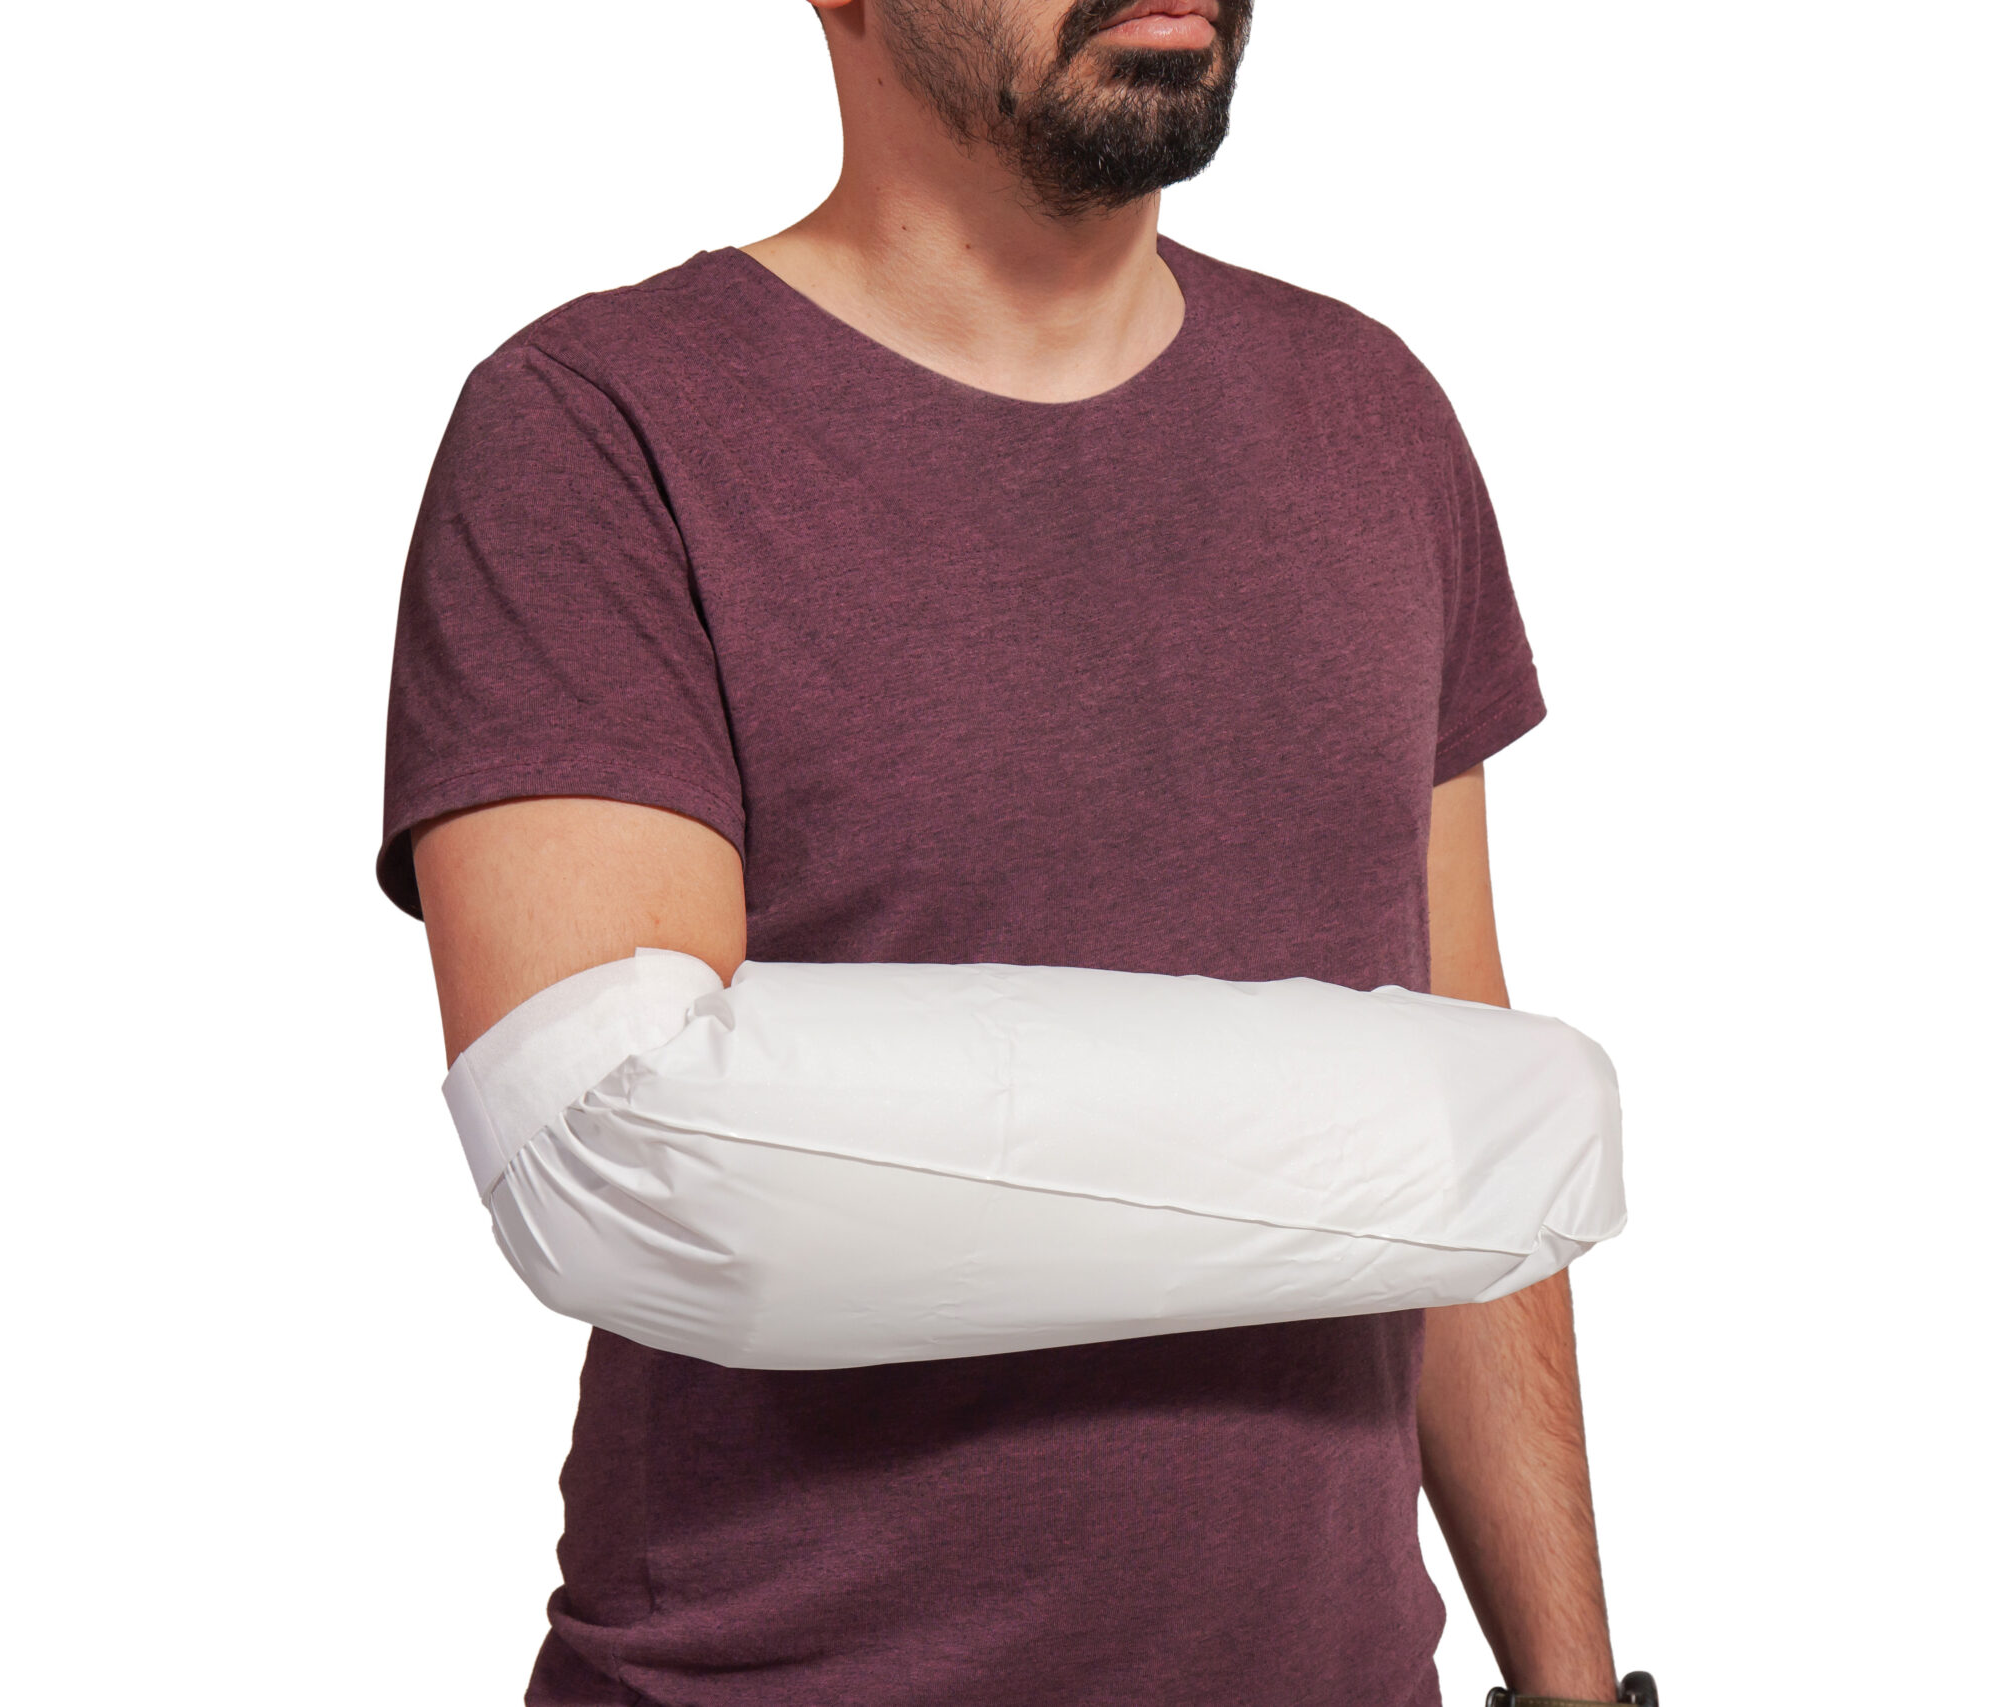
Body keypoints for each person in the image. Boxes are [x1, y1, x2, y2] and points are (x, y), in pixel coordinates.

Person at [376, 2, 1627, 1702]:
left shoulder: (1369, 414)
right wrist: (1503, 1127)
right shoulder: (598, 429)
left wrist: (1573, 1688)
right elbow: (629, 1151)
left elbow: (1466, 1174)